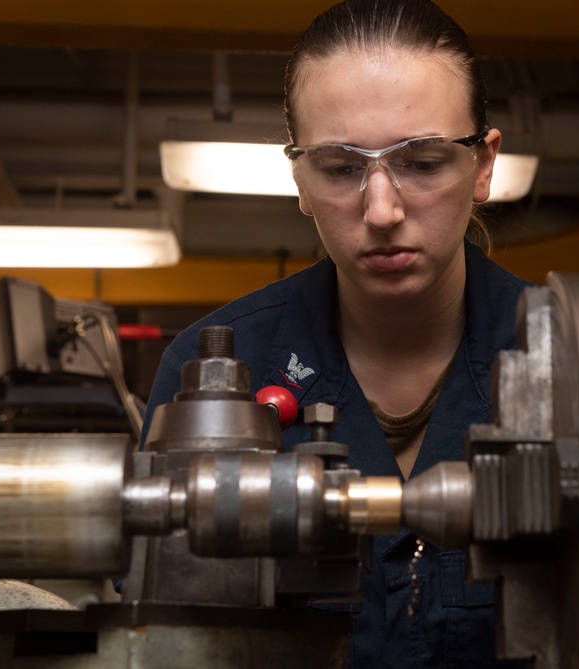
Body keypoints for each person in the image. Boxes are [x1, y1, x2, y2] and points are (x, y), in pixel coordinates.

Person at [141, 0, 531, 666]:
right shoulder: (214, 370)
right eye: (342, 169)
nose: (382, 210)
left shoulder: (576, 362)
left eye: (424, 162)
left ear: (484, 165)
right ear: (299, 178)